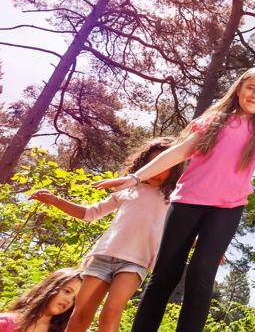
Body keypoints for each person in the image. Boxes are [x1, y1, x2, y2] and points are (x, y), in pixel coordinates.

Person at [94, 67, 255, 332]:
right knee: (165, 274)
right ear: (239, 88)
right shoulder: (214, 120)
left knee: (202, 274)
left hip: (227, 209)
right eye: (251, 88)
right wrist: (135, 177)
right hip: (187, 202)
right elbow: (179, 152)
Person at [29, 137, 180, 332]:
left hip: (135, 262)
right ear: (143, 165)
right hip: (102, 257)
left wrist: (205, 246)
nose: (155, 170)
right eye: (150, 163)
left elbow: (181, 229)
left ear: (173, 167)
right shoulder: (128, 190)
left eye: (162, 165)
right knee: (80, 315)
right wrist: (56, 201)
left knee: (110, 314)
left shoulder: (173, 198)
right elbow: (89, 213)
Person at [0, 267, 81, 332]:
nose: (69, 300)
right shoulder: (4, 323)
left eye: (74, 299)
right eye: (67, 291)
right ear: (50, 287)